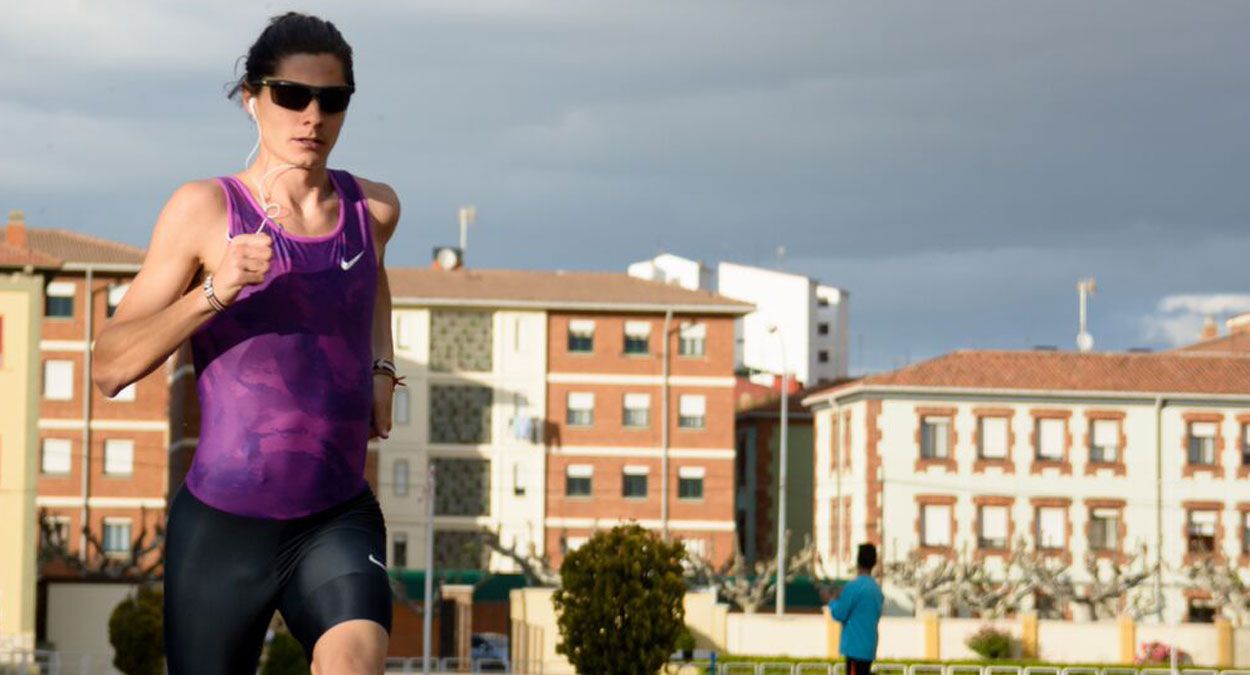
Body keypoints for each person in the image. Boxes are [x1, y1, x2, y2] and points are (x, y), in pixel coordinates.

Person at [92, 13, 401, 674]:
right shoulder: (204, 210)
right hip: (223, 528)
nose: (312, 115)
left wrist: (382, 365)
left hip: (336, 512)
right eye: (292, 96)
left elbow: (373, 280)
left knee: (354, 662)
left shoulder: (372, 210)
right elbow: (109, 365)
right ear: (252, 98)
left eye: (332, 99)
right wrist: (216, 290)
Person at [827, 544, 885, 675]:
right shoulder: (876, 589)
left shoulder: (853, 586)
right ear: (874, 563)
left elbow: (839, 614)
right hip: (869, 648)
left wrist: (831, 601)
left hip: (854, 649)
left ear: (858, 561)